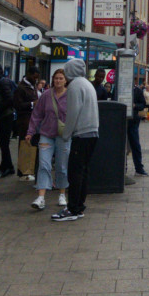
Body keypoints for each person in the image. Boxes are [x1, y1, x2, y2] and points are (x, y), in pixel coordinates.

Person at [52, 59, 99, 222]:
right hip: (92, 133)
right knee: (83, 171)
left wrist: (66, 134)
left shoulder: (74, 87)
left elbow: (73, 113)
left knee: (74, 172)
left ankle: (72, 209)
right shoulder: (87, 84)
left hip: (81, 134)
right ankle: (79, 206)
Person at [26, 68, 69, 210]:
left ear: (65, 80)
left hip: (63, 136)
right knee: (44, 164)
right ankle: (41, 197)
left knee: (62, 166)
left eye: (61, 78)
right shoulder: (46, 95)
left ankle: (62, 193)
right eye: (56, 78)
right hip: (46, 134)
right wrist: (30, 132)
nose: (58, 81)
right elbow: (37, 114)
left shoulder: (70, 95)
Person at [14, 66, 39, 180]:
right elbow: (18, 105)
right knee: (24, 144)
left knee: (30, 145)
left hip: (32, 120)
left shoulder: (31, 86)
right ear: (28, 74)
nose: (36, 79)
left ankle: (28, 170)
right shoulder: (21, 88)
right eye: (34, 77)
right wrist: (33, 104)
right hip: (24, 121)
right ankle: (22, 172)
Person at [127, 81, 148, 177]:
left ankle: (139, 168)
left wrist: (135, 106)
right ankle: (123, 168)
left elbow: (143, 104)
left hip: (133, 121)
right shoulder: (119, 88)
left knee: (135, 144)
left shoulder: (137, 91)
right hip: (121, 121)